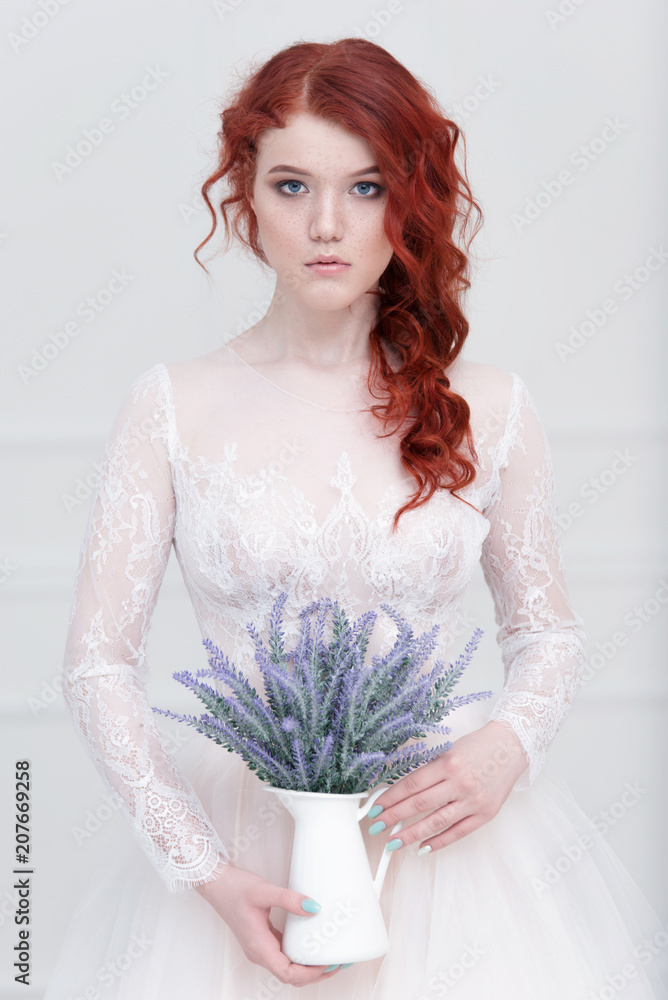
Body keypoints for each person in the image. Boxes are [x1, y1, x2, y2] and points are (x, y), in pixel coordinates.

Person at [45, 37, 667, 999]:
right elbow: (94, 665)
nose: (327, 223)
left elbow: (546, 632)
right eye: (292, 186)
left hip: (443, 848)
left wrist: (505, 750)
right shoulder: (171, 405)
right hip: (242, 851)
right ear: (244, 192)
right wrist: (204, 871)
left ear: (411, 197)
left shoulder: (491, 406)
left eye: (366, 187)